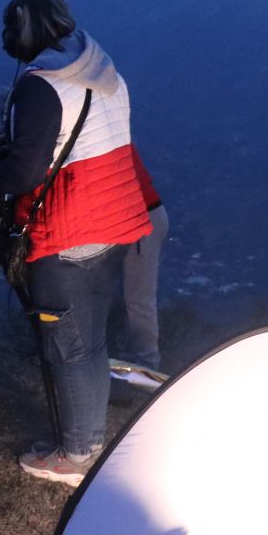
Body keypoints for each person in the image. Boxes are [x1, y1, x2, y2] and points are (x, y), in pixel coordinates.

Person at [0, 0, 152, 485]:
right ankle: (90, 441)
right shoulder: (106, 74)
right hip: (115, 223)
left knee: (68, 346)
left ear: (24, 31)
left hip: (70, 229)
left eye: (9, 31)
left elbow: (24, 171)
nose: (6, 42)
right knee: (92, 341)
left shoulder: (41, 87)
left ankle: (77, 456)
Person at [110, 148, 170, 391]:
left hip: (141, 219)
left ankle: (147, 369)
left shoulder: (110, 143)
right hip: (144, 216)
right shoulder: (115, 137)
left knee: (138, 298)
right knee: (133, 298)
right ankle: (133, 363)